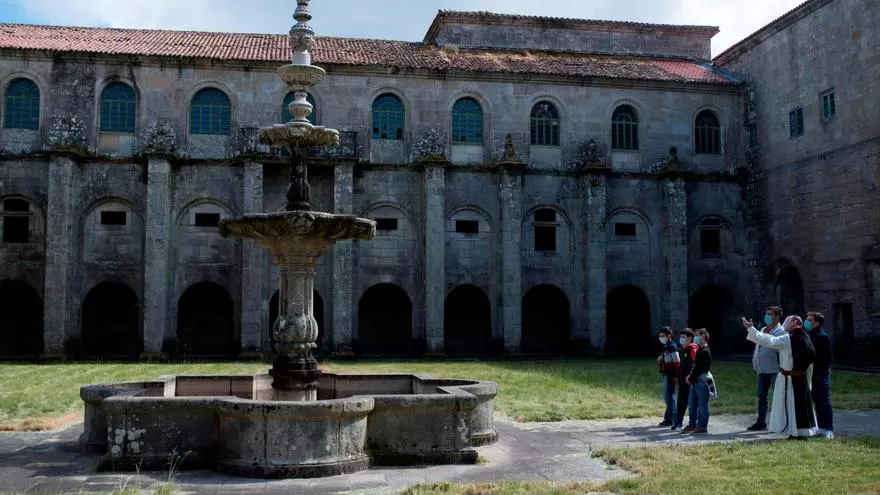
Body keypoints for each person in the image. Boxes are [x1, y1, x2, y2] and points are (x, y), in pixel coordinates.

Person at [744, 315, 818, 439]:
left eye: (787, 321)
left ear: (795, 323)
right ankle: (799, 433)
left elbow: (769, 341)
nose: (784, 324)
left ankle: (796, 433)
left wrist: (751, 329)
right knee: (799, 406)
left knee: (791, 406)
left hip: (790, 378)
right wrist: (808, 380)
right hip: (800, 378)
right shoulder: (805, 337)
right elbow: (810, 363)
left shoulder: (788, 338)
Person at [747, 306, 786, 431]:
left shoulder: (782, 331)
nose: (767, 317)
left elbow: (778, 348)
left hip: (775, 370)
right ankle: (761, 421)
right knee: (761, 396)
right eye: (766, 314)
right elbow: (758, 345)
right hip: (762, 369)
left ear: (777, 316)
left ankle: (781, 422)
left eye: (770, 314)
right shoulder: (764, 329)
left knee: (779, 396)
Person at [806, 311, 834, 439]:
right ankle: (820, 426)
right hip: (811, 374)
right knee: (816, 401)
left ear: (817, 323)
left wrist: (820, 374)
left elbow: (826, 359)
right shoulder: (809, 335)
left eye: (810, 320)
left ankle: (828, 428)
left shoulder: (822, 337)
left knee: (823, 401)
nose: (807, 322)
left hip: (820, 375)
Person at [682, 328, 712, 434]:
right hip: (695, 381)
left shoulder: (705, 351)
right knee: (692, 404)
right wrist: (691, 376)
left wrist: (690, 378)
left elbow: (699, 369)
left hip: (701, 381)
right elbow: (695, 366)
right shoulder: (699, 350)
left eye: (697, 335)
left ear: (703, 336)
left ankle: (702, 426)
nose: (695, 338)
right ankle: (692, 424)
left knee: (702, 405)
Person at [672, 329, 699, 430]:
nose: (681, 339)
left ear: (690, 338)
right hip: (682, 379)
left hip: (690, 380)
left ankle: (694, 423)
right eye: (681, 337)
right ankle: (679, 421)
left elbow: (696, 364)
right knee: (680, 401)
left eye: (683, 337)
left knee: (691, 402)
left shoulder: (693, 349)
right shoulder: (682, 349)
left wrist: (691, 376)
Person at [656, 326, 680, 427]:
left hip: (671, 375)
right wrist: (661, 359)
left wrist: (676, 375)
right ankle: (671, 417)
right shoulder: (666, 346)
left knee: (669, 397)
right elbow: (667, 358)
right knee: (668, 397)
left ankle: (671, 419)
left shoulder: (672, 347)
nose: (661, 338)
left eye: (663, 336)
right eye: (660, 336)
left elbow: (677, 362)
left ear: (669, 336)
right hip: (666, 374)